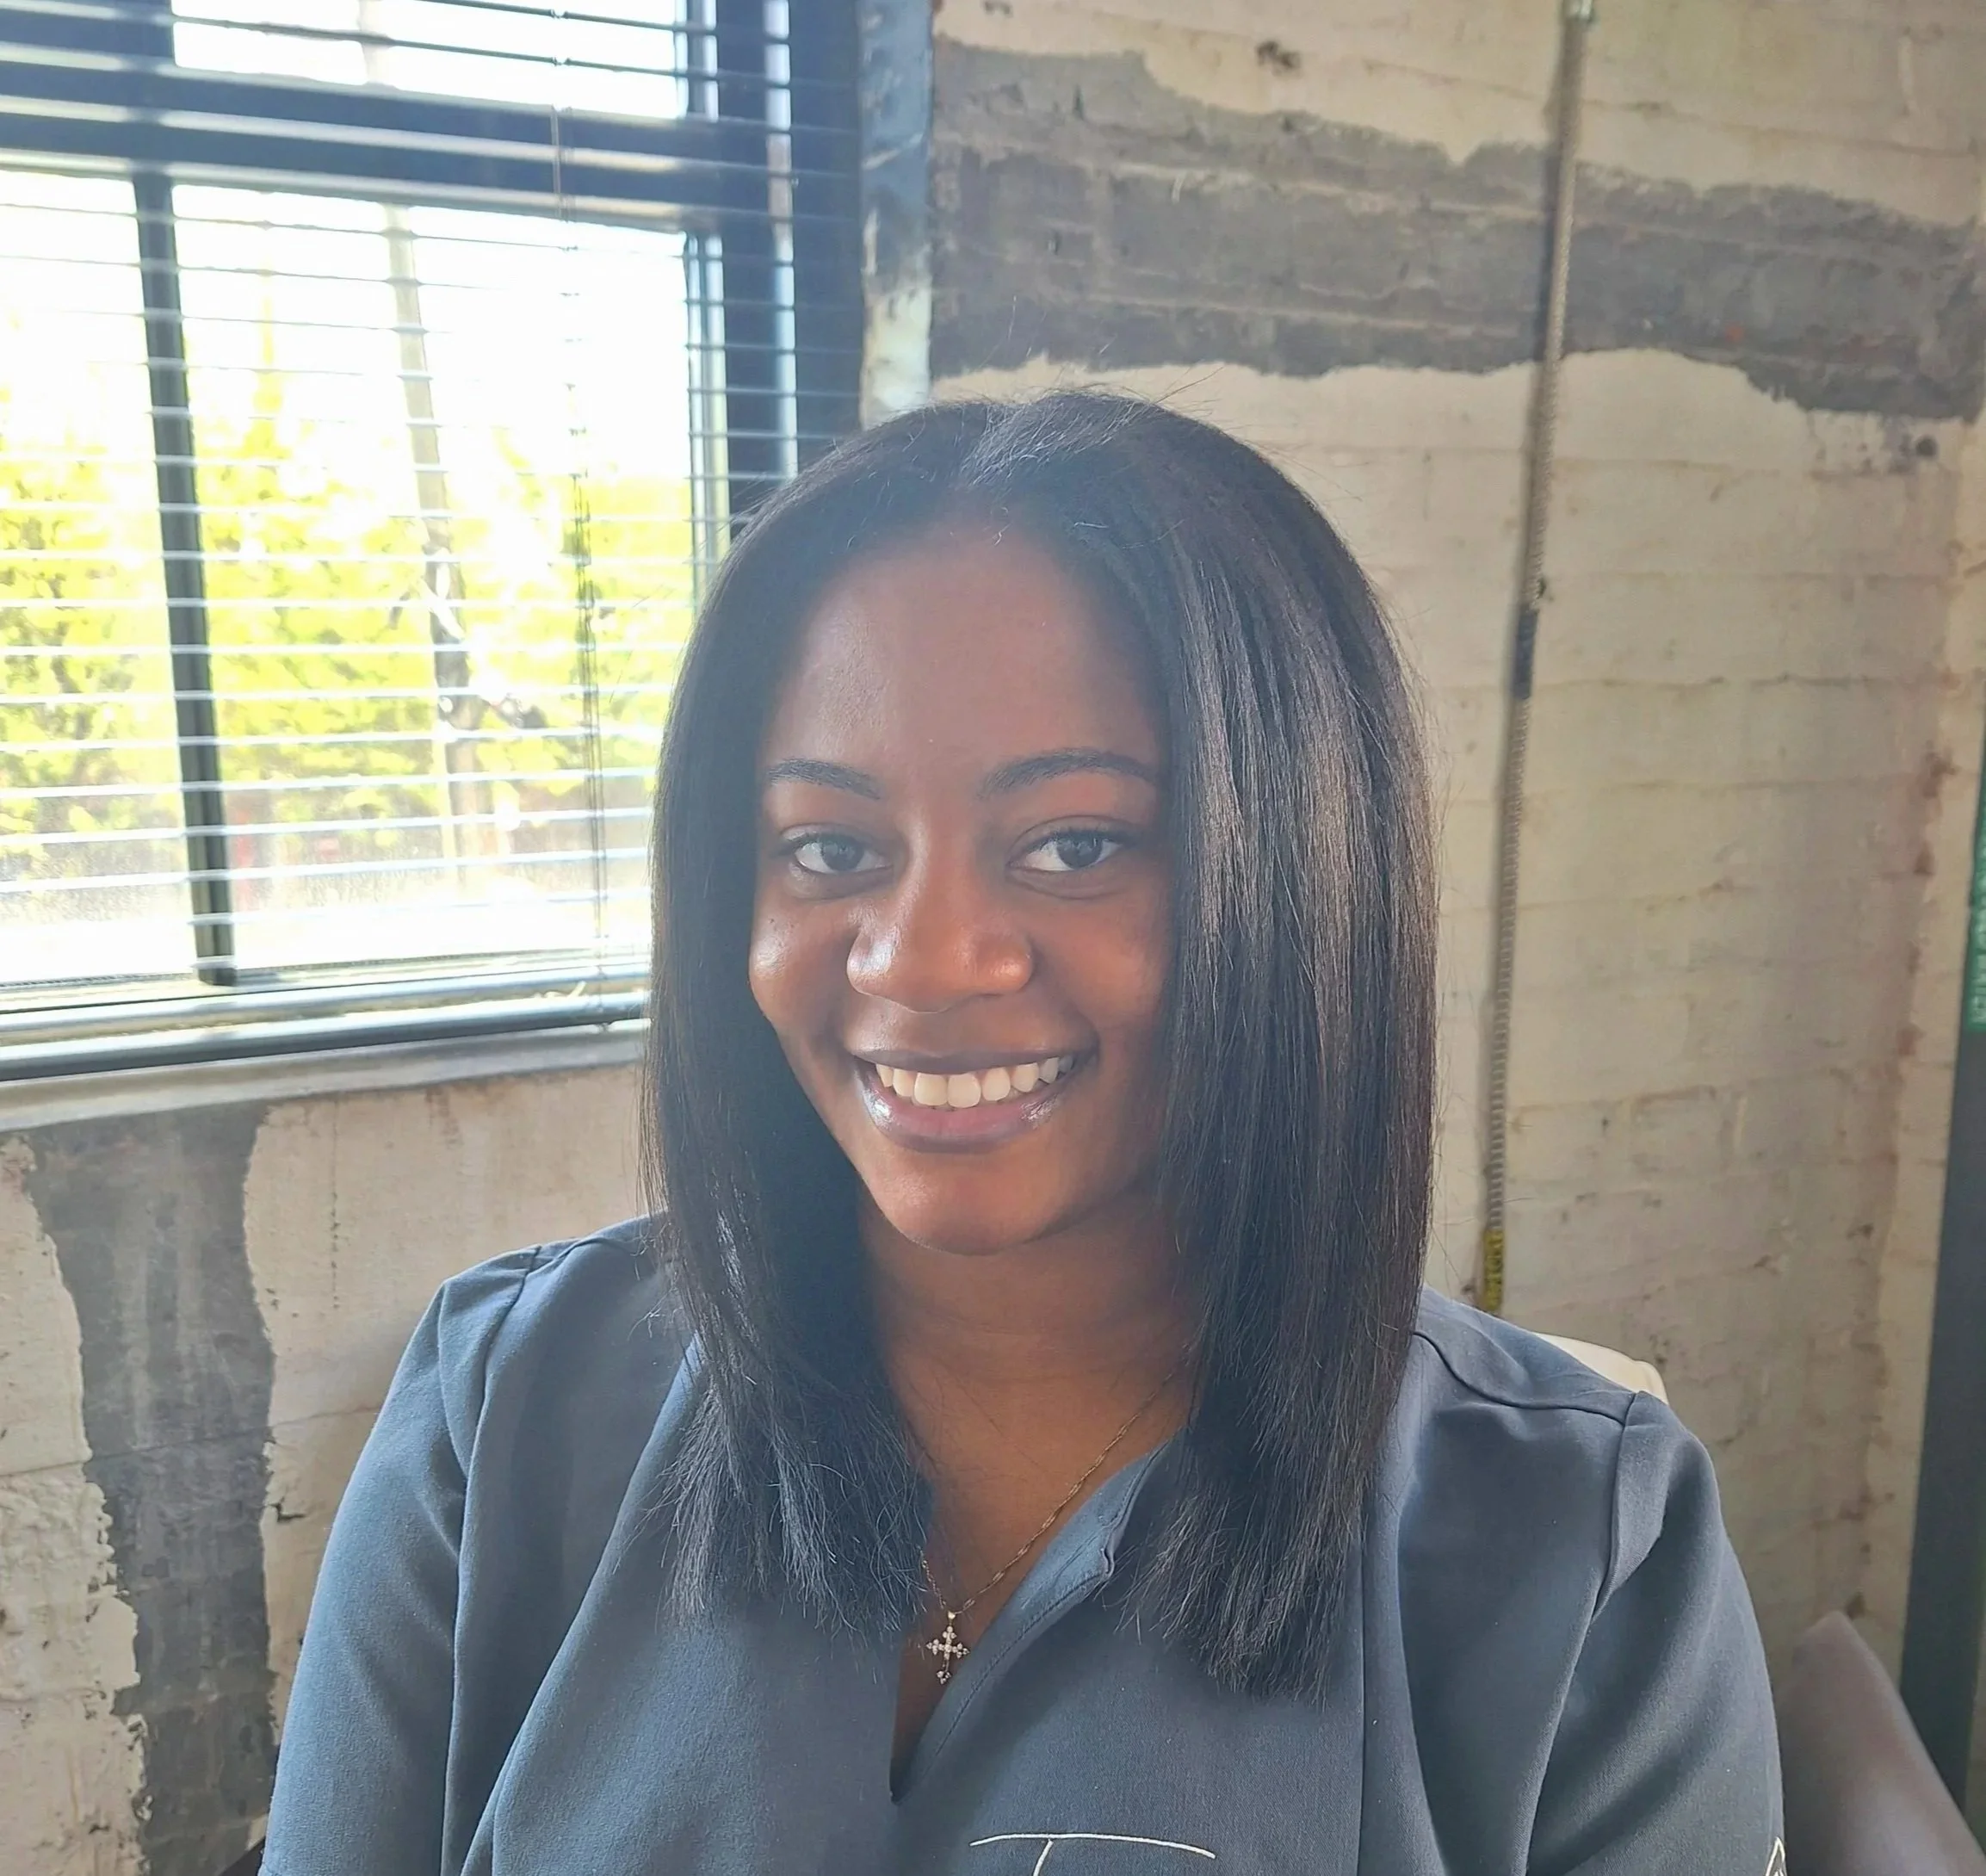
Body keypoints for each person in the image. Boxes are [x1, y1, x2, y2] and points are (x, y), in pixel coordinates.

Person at [263, 393, 1782, 1875]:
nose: (921, 962)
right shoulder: (505, 1410)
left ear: (1304, 881)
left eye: (1075, 844)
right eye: (831, 848)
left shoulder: (1580, 1551)